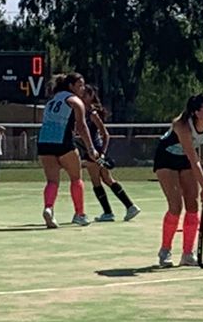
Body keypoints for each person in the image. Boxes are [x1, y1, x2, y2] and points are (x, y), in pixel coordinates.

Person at [153, 93, 203, 267]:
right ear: (196, 112)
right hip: (166, 158)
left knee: (193, 206)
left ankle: (188, 254)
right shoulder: (182, 126)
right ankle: (165, 251)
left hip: (185, 159)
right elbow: (194, 159)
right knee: (175, 206)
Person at [37, 73, 96, 228]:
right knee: (76, 178)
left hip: (44, 142)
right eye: (79, 85)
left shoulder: (51, 101)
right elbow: (82, 126)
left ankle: (48, 208)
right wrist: (91, 148)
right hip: (63, 142)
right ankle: (79, 214)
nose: (83, 88)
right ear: (70, 86)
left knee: (52, 181)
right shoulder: (75, 101)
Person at [77, 85, 140, 223]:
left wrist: (102, 153)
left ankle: (108, 212)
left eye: (84, 95)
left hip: (94, 150)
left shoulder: (92, 114)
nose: (81, 97)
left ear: (90, 96)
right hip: (91, 150)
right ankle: (130, 206)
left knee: (96, 181)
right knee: (107, 179)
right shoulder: (80, 113)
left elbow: (105, 134)